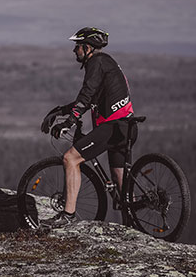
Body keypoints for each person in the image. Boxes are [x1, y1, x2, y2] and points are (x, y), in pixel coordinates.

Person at [39, 27, 133, 229]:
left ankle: (68, 214)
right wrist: (61, 111)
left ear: (88, 48)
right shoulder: (106, 62)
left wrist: (69, 122)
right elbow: (90, 99)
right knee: (120, 180)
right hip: (126, 126)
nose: (74, 51)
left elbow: (86, 94)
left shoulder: (96, 62)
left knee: (70, 159)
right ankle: (131, 220)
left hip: (112, 126)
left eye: (77, 47)